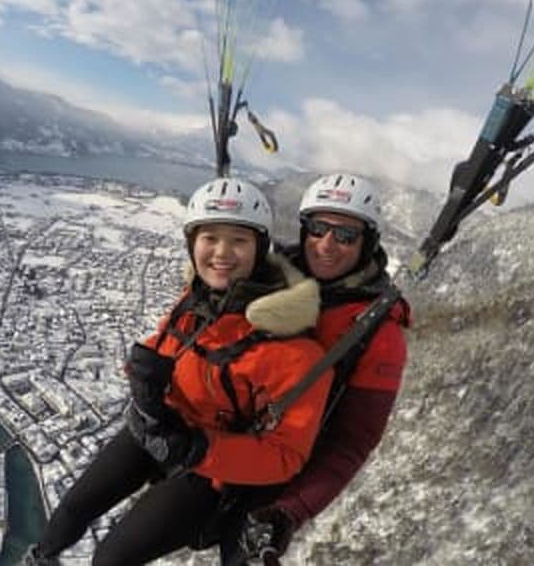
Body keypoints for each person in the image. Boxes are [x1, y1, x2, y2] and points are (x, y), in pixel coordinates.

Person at [24, 177, 333, 566]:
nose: (221, 253)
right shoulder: (197, 299)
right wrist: (142, 374)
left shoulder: (295, 352)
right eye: (210, 238)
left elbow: (285, 456)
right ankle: (38, 559)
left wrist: (198, 449)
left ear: (260, 248)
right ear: (192, 244)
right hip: (157, 425)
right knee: (73, 508)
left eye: (238, 240)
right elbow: (166, 346)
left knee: (111, 558)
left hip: (210, 466)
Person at [232, 173, 411, 564]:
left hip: (278, 476)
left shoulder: (379, 331)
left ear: (367, 242)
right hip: (217, 445)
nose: (327, 244)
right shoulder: (270, 275)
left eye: (346, 235)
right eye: (318, 228)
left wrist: (289, 511)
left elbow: (353, 439)